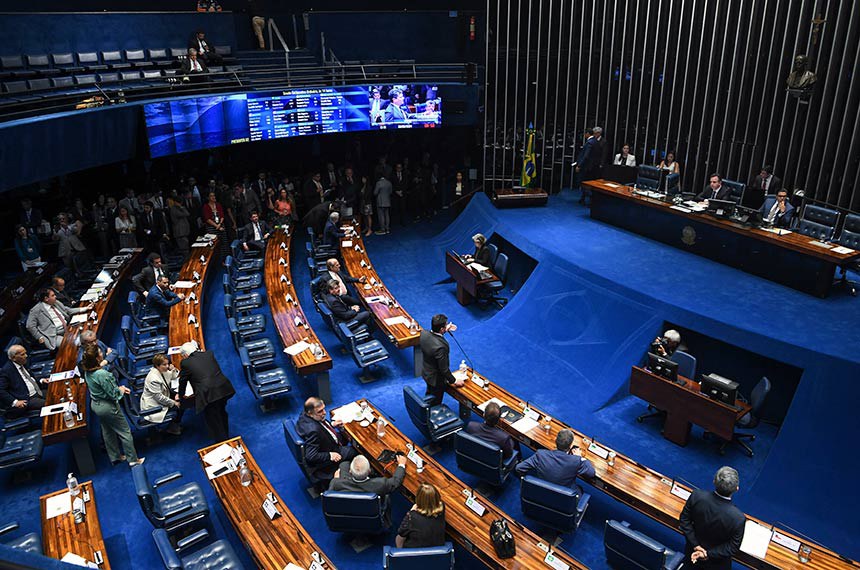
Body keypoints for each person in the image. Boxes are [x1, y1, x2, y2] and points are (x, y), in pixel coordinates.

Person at [81, 345, 144, 466]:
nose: (102, 352)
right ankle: (133, 461)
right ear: (97, 357)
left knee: (108, 431)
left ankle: (115, 457)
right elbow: (114, 394)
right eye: (100, 352)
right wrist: (121, 389)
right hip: (108, 407)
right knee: (125, 432)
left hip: (96, 405)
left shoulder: (87, 371)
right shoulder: (103, 374)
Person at [679, 466, 745, 569]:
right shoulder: (738, 518)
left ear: (714, 481)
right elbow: (732, 547)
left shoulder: (696, 496)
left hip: (691, 553)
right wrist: (708, 554)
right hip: (717, 563)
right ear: (737, 489)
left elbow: (684, 521)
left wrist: (696, 546)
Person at [296, 396, 358, 490]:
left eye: (323, 409)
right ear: (310, 413)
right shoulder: (313, 431)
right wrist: (329, 455)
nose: (324, 412)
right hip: (330, 452)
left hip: (326, 439)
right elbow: (310, 456)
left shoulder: (304, 415)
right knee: (355, 449)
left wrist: (331, 425)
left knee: (345, 436)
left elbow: (320, 425)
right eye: (320, 411)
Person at [177, 341, 235, 441]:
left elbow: (182, 381)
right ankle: (226, 435)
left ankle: (222, 442)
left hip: (207, 394)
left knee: (213, 419)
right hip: (223, 388)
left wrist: (180, 395)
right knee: (221, 412)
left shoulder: (185, 363)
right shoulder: (208, 354)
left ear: (185, 355)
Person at [330, 454, 407, 527]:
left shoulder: (336, 483)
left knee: (344, 464)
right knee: (386, 496)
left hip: (348, 515)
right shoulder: (380, 484)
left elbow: (330, 498)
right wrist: (401, 465)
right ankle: (386, 522)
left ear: (350, 471)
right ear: (369, 471)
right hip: (372, 517)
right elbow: (396, 481)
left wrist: (336, 479)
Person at [515, 429, 595, 497]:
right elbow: (591, 473)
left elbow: (519, 468)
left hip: (540, 492)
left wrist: (528, 482)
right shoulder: (575, 461)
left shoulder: (541, 454)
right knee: (579, 489)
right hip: (563, 497)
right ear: (570, 446)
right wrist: (581, 458)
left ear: (555, 441)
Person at [419, 314, 465, 406]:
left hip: (426, 372)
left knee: (429, 393)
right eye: (445, 325)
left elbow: (435, 336)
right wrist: (454, 381)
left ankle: (426, 404)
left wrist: (445, 329)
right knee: (435, 402)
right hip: (436, 380)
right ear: (441, 329)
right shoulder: (441, 347)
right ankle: (429, 414)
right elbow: (443, 369)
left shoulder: (424, 333)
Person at [26, 288, 92, 351]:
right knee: (70, 345)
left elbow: (67, 310)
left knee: (86, 335)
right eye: (53, 295)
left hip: (68, 327)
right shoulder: (36, 310)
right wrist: (39, 337)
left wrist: (85, 308)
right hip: (54, 335)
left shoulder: (55, 302)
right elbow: (30, 326)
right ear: (46, 299)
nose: (55, 297)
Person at [0, 345, 48, 419]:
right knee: (50, 404)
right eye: (22, 354)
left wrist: (41, 380)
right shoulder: (7, 371)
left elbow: (30, 377)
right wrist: (15, 402)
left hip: (38, 391)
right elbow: (1, 390)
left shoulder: (22, 362)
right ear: (13, 358)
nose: (26, 356)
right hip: (27, 398)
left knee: (56, 394)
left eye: (25, 353)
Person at [140, 354, 183, 435]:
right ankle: (172, 428)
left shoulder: (163, 370)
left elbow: (175, 376)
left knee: (181, 400)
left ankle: (174, 426)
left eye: (168, 363)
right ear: (157, 365)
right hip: (154, 405)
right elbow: (159, 398)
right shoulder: (153, 378)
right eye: (164, 364)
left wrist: (173, 369)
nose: (167, 366)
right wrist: (174, 402)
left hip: (164, 396)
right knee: (180, 405)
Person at [396, 483, 447, 548]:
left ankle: (401, 555)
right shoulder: (442, 508)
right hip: (437, 553)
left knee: (398, 538)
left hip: (415, 553)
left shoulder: (412, 516)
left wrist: (411, 511)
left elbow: (401, 533)